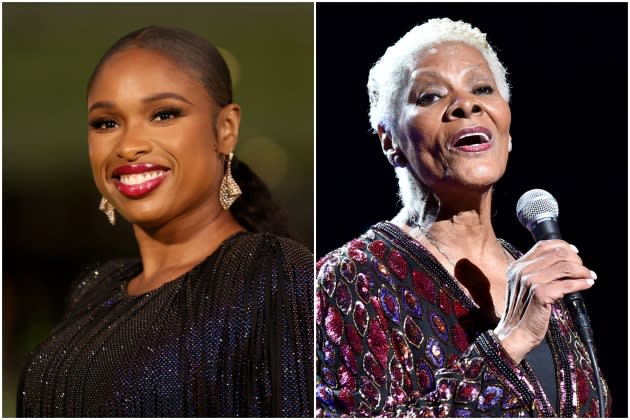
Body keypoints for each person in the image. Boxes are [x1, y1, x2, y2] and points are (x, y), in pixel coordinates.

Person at [315, 18, 610, 417]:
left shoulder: (542, 281)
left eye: (482, 89)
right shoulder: (350, 279)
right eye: (431, 95)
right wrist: (508, 342)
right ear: (389, 140)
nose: (466, 104)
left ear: (506, 130)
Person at [17, 26, 313, 417]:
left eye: (163, 114)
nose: (128, 145)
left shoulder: (275, 274)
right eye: (106, 122)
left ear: (226, 130)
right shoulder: (93, 290)